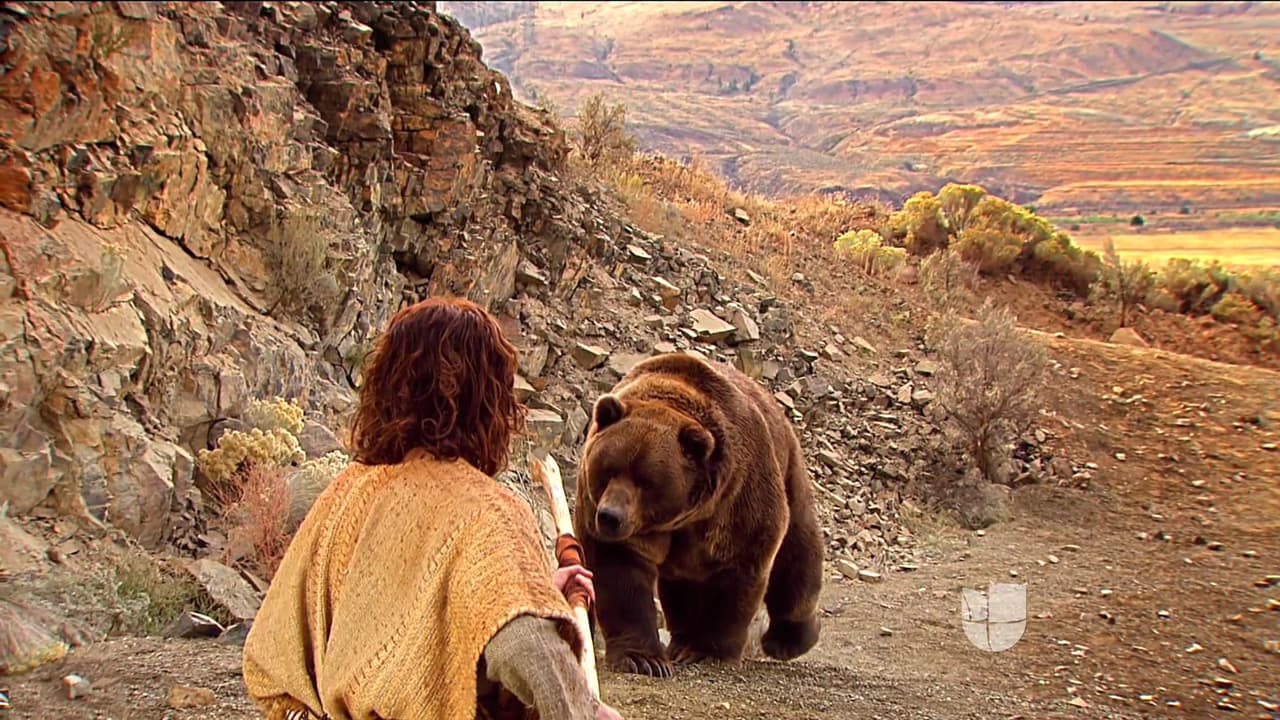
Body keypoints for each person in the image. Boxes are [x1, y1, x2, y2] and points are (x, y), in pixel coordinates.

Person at [242, 297, 625, 720]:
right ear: (489, 400)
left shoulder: (347, 491)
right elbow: (522, 647)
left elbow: (285, 641)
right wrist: (584, 710)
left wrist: (530, 589)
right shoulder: (486, 509)